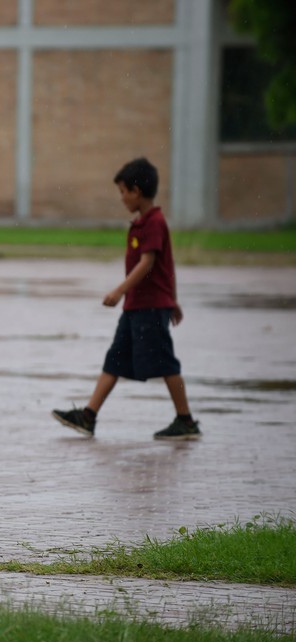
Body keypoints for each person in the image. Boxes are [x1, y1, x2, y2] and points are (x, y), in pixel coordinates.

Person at [52, 157, 201, 440]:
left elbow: (149, 263)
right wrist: (173, 298)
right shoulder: (142, 223)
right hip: (136, 308)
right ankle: (88, 416)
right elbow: (166, 267)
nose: (121, 198)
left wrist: (120, 290)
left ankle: (186, 421)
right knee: (115, 360)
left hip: (150, 309)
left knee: (166, 364)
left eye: (123, 191)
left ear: (136, 191)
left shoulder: (154, 223)